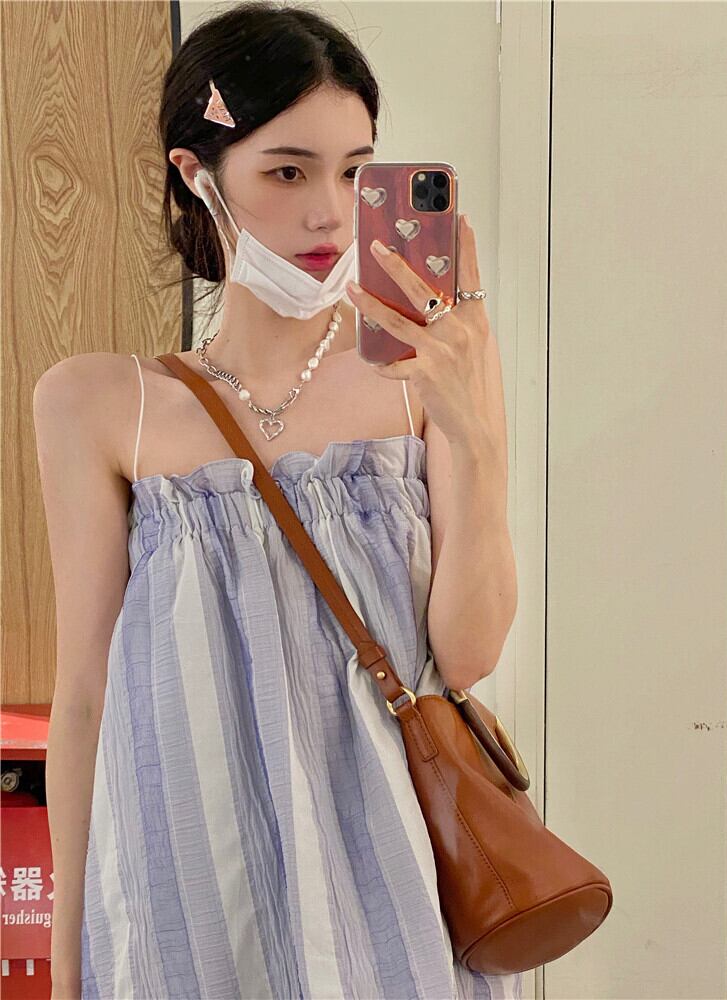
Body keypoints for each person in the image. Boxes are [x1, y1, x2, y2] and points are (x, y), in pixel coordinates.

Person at [35, 2, 519, 997]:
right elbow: (84, 698)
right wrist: (71, 954)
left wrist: (470, 433)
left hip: (392, 886)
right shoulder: (99, 404)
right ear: (197, 174)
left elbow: (467, 656)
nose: (330, 213)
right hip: (187, 885)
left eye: (354, 172)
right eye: (287, 172)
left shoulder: (428, 374)